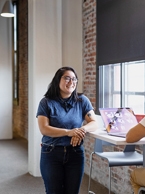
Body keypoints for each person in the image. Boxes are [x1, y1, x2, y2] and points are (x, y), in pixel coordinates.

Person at [36, 66, 98, 194]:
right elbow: (44, 129)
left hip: (75, 153)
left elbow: (94, 123)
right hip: (51, 152)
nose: (71, 82)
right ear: (58, 80)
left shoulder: (82, 101)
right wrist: (69, 132)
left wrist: (80, 130)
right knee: (54, 191)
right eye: (67, 78)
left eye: (74, 79)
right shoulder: (46, 102)